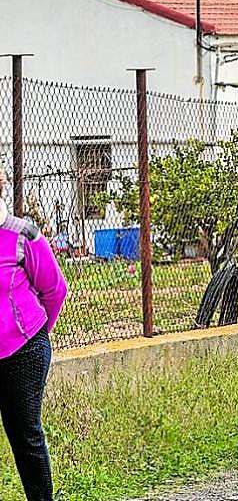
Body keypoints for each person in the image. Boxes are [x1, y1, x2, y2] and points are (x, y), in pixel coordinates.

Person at [1, 169, 68, 501]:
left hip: (23, 351)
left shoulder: (21, 234)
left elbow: (55, 290)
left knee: (25, 437)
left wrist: (36, 334)